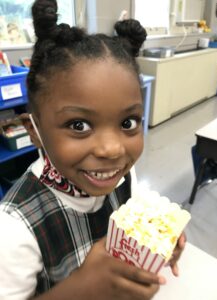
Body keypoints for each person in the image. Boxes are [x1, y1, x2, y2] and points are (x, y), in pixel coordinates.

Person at [0, 0, 186, 299]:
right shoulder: (13, 228)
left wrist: (154, 242)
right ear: (34, 131)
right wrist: (79, 290)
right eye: (79, 126)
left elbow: (130, 234)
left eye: (128, 122)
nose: (112, 150)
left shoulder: (122, 178)